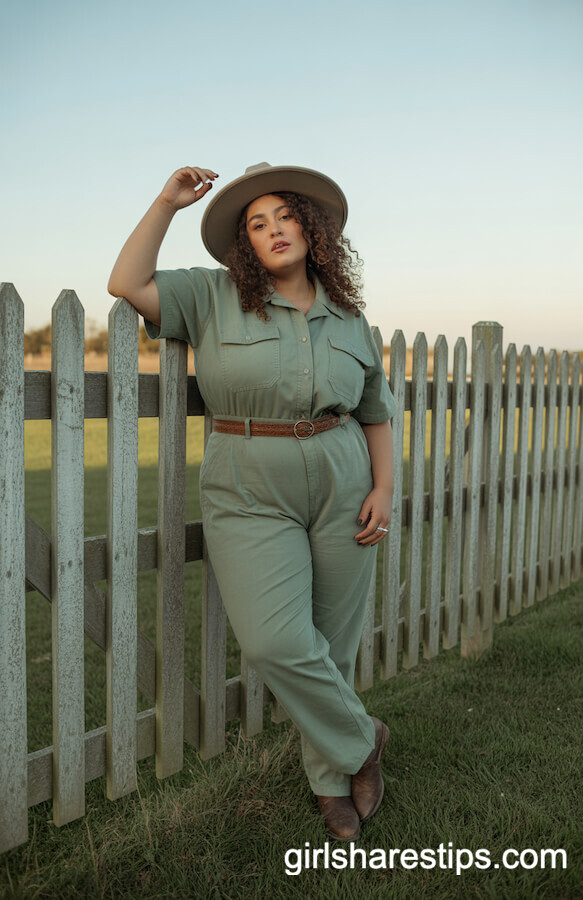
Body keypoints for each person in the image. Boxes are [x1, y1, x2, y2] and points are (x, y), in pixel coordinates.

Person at [108, 162, 396, 841]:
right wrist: (167, 202)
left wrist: (384, 488)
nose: (273, 230)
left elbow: (376, 412)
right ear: (246, 244)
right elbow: (127, 282)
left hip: (344, 476)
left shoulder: (350, 318)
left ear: (311, 225)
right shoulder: (211, 296)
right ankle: (363, 739)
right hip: (247, 481)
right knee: (275, 640)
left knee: (333, 642)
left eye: (284, 215)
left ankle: (332, 787)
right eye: (256, 224)